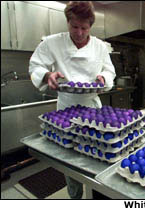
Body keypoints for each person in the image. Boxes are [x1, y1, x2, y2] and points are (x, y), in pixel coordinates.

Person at [29, 1, 116, 199]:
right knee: (71, 158)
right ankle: (75, 197)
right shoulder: (52, 43)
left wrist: (104, 78)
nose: (78, 32)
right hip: (66, 108)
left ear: (90, 26)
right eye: (74, 27)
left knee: (96, 152)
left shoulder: (100, 46)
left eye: (84, 28)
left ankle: (97, 194)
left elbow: (109, 70)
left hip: (93, 108)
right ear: (67, 22)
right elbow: (35, 66)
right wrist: (46, 76)